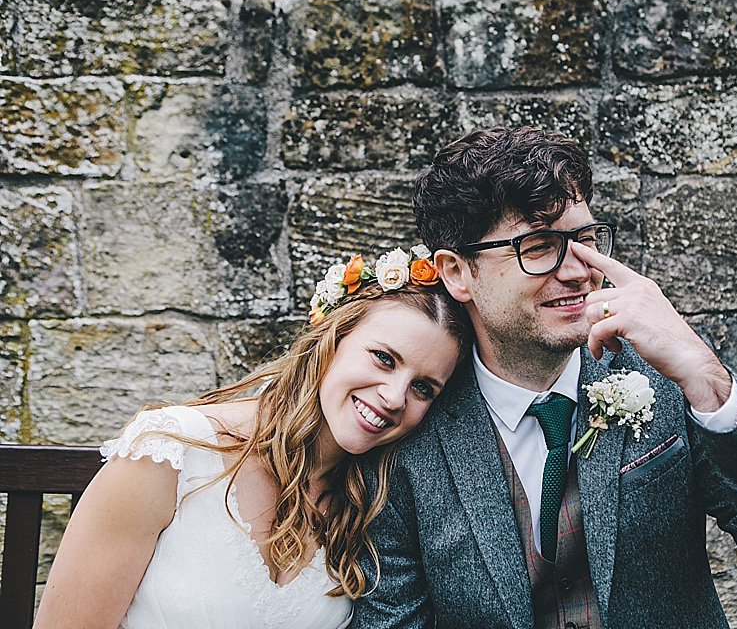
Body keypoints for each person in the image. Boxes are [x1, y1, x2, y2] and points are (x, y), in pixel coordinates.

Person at [352, 127, 737, 629]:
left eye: (584, 240)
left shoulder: (672, 386)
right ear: (458, 273)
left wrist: (705, 376)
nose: (579, 270)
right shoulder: (410, 432)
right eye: (537, 246)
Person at [33, 245, 472, 629]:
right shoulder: (170, 454)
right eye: (383, 358)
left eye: (423, 388)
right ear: (330, 340)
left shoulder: (369, 505)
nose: (395, 397)